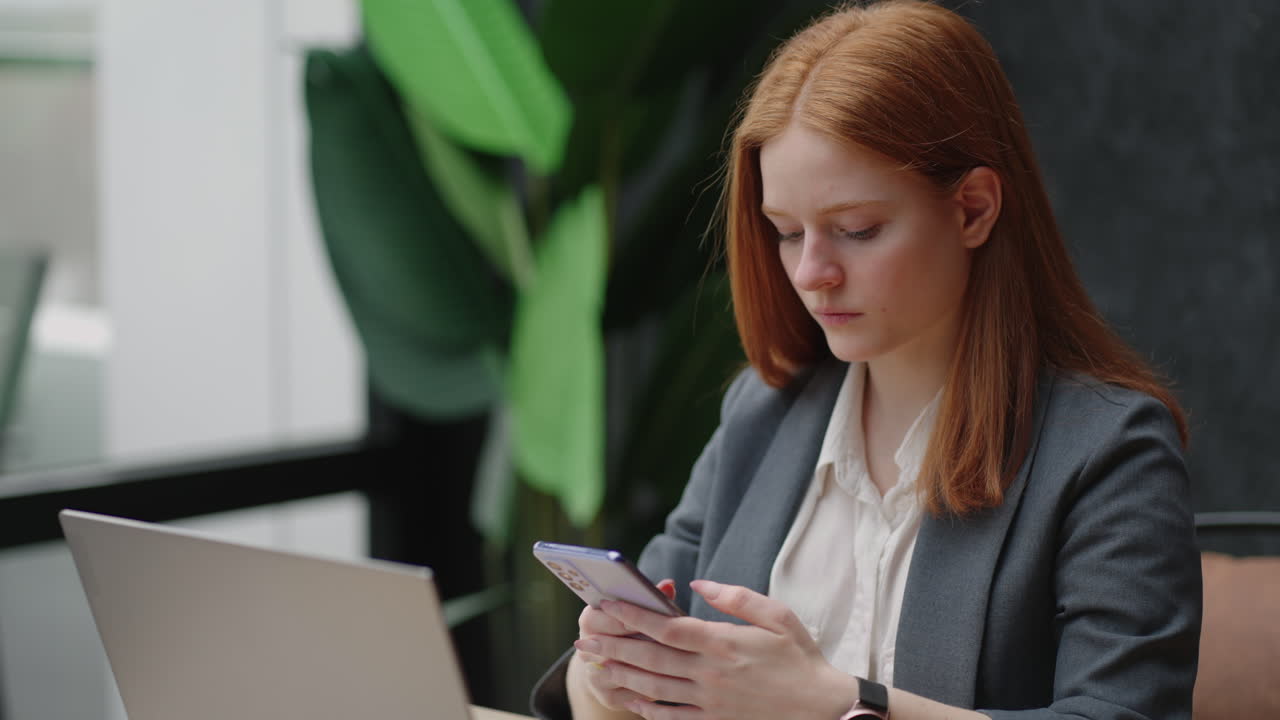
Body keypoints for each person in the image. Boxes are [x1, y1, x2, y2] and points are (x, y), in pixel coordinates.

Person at [531, 1, 1202, 718]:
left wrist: (836, 705)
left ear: (973, 209)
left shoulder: (1106, 453)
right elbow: (595, 673)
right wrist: (609, 676)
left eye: (857, 229)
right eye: (787, 233)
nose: (811, 272)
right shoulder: (764, 413)